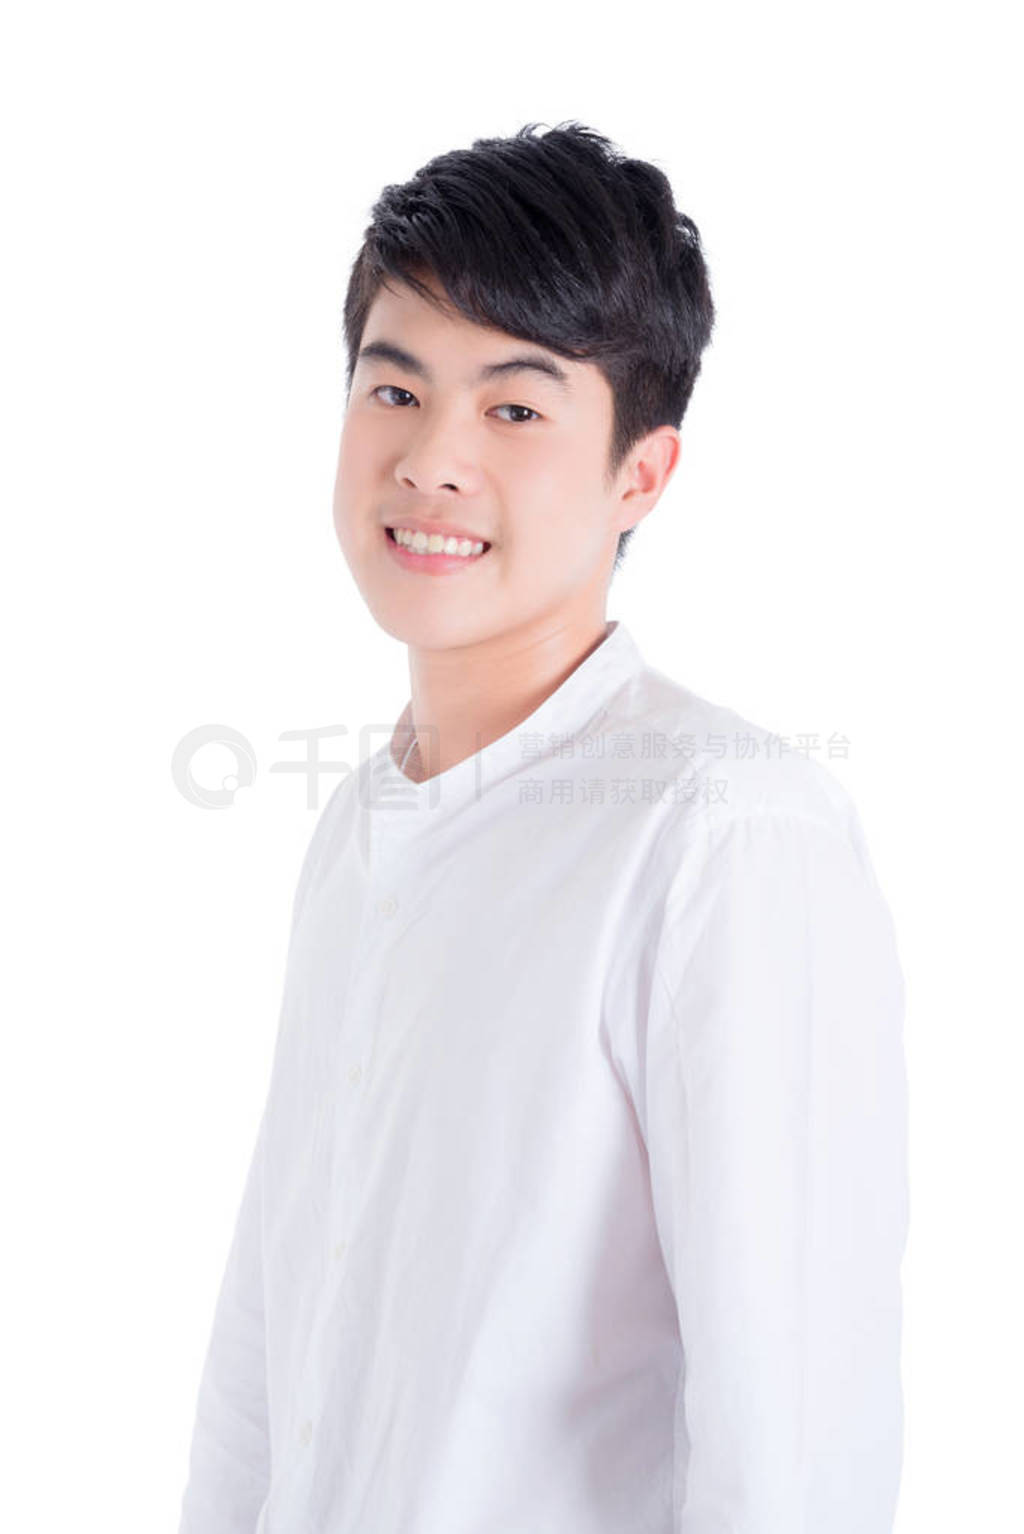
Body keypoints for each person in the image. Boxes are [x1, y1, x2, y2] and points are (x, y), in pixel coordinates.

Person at [177, 121, 909, 1533]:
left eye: (516, 409)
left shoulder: (725, 834)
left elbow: (795, 1438)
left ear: (642, 473)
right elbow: (269, 1342)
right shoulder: (358, 820)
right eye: (394, 388)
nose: (433, 459)